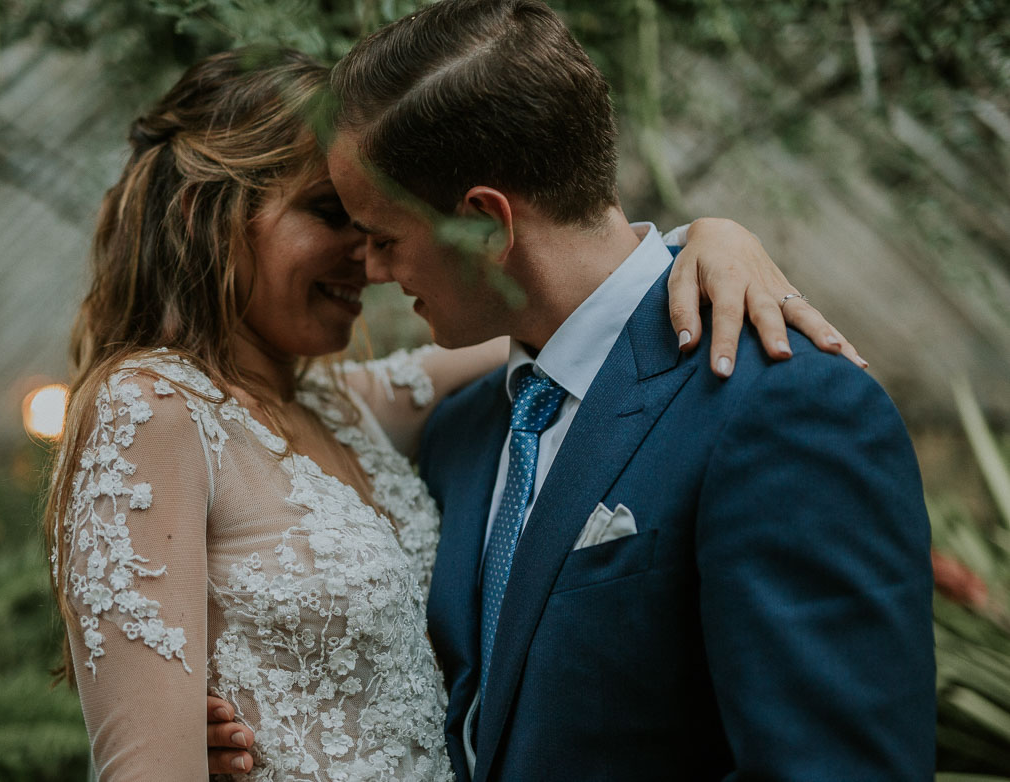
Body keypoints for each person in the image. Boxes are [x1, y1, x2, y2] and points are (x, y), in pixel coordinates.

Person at [46, 47, 863, 780]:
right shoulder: (150, 409)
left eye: (373, 227)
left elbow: (574, 305)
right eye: (332, 216)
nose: (365, 262)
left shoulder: (346, 407)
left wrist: (709, 242)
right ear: (204, 214)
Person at [318, 1, 937, 780]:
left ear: (484, 223)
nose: (370, 272)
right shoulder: (461, 430)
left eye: (384, 238)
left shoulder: (784, 406)